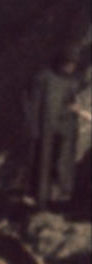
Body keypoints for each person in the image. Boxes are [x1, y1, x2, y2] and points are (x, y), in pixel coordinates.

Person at [25, 47, 88, 212]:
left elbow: (71, 103)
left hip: (65, 129)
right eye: (67, 64)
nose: (70, 67)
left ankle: (59, 199)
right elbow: (31, 104)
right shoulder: (42, 78)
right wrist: (33, 127)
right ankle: (40, 201)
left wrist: (76, 111)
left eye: (73, 64)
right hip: (45, 129)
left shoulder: (72, 81)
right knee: (42, 164)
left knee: (62, 164)